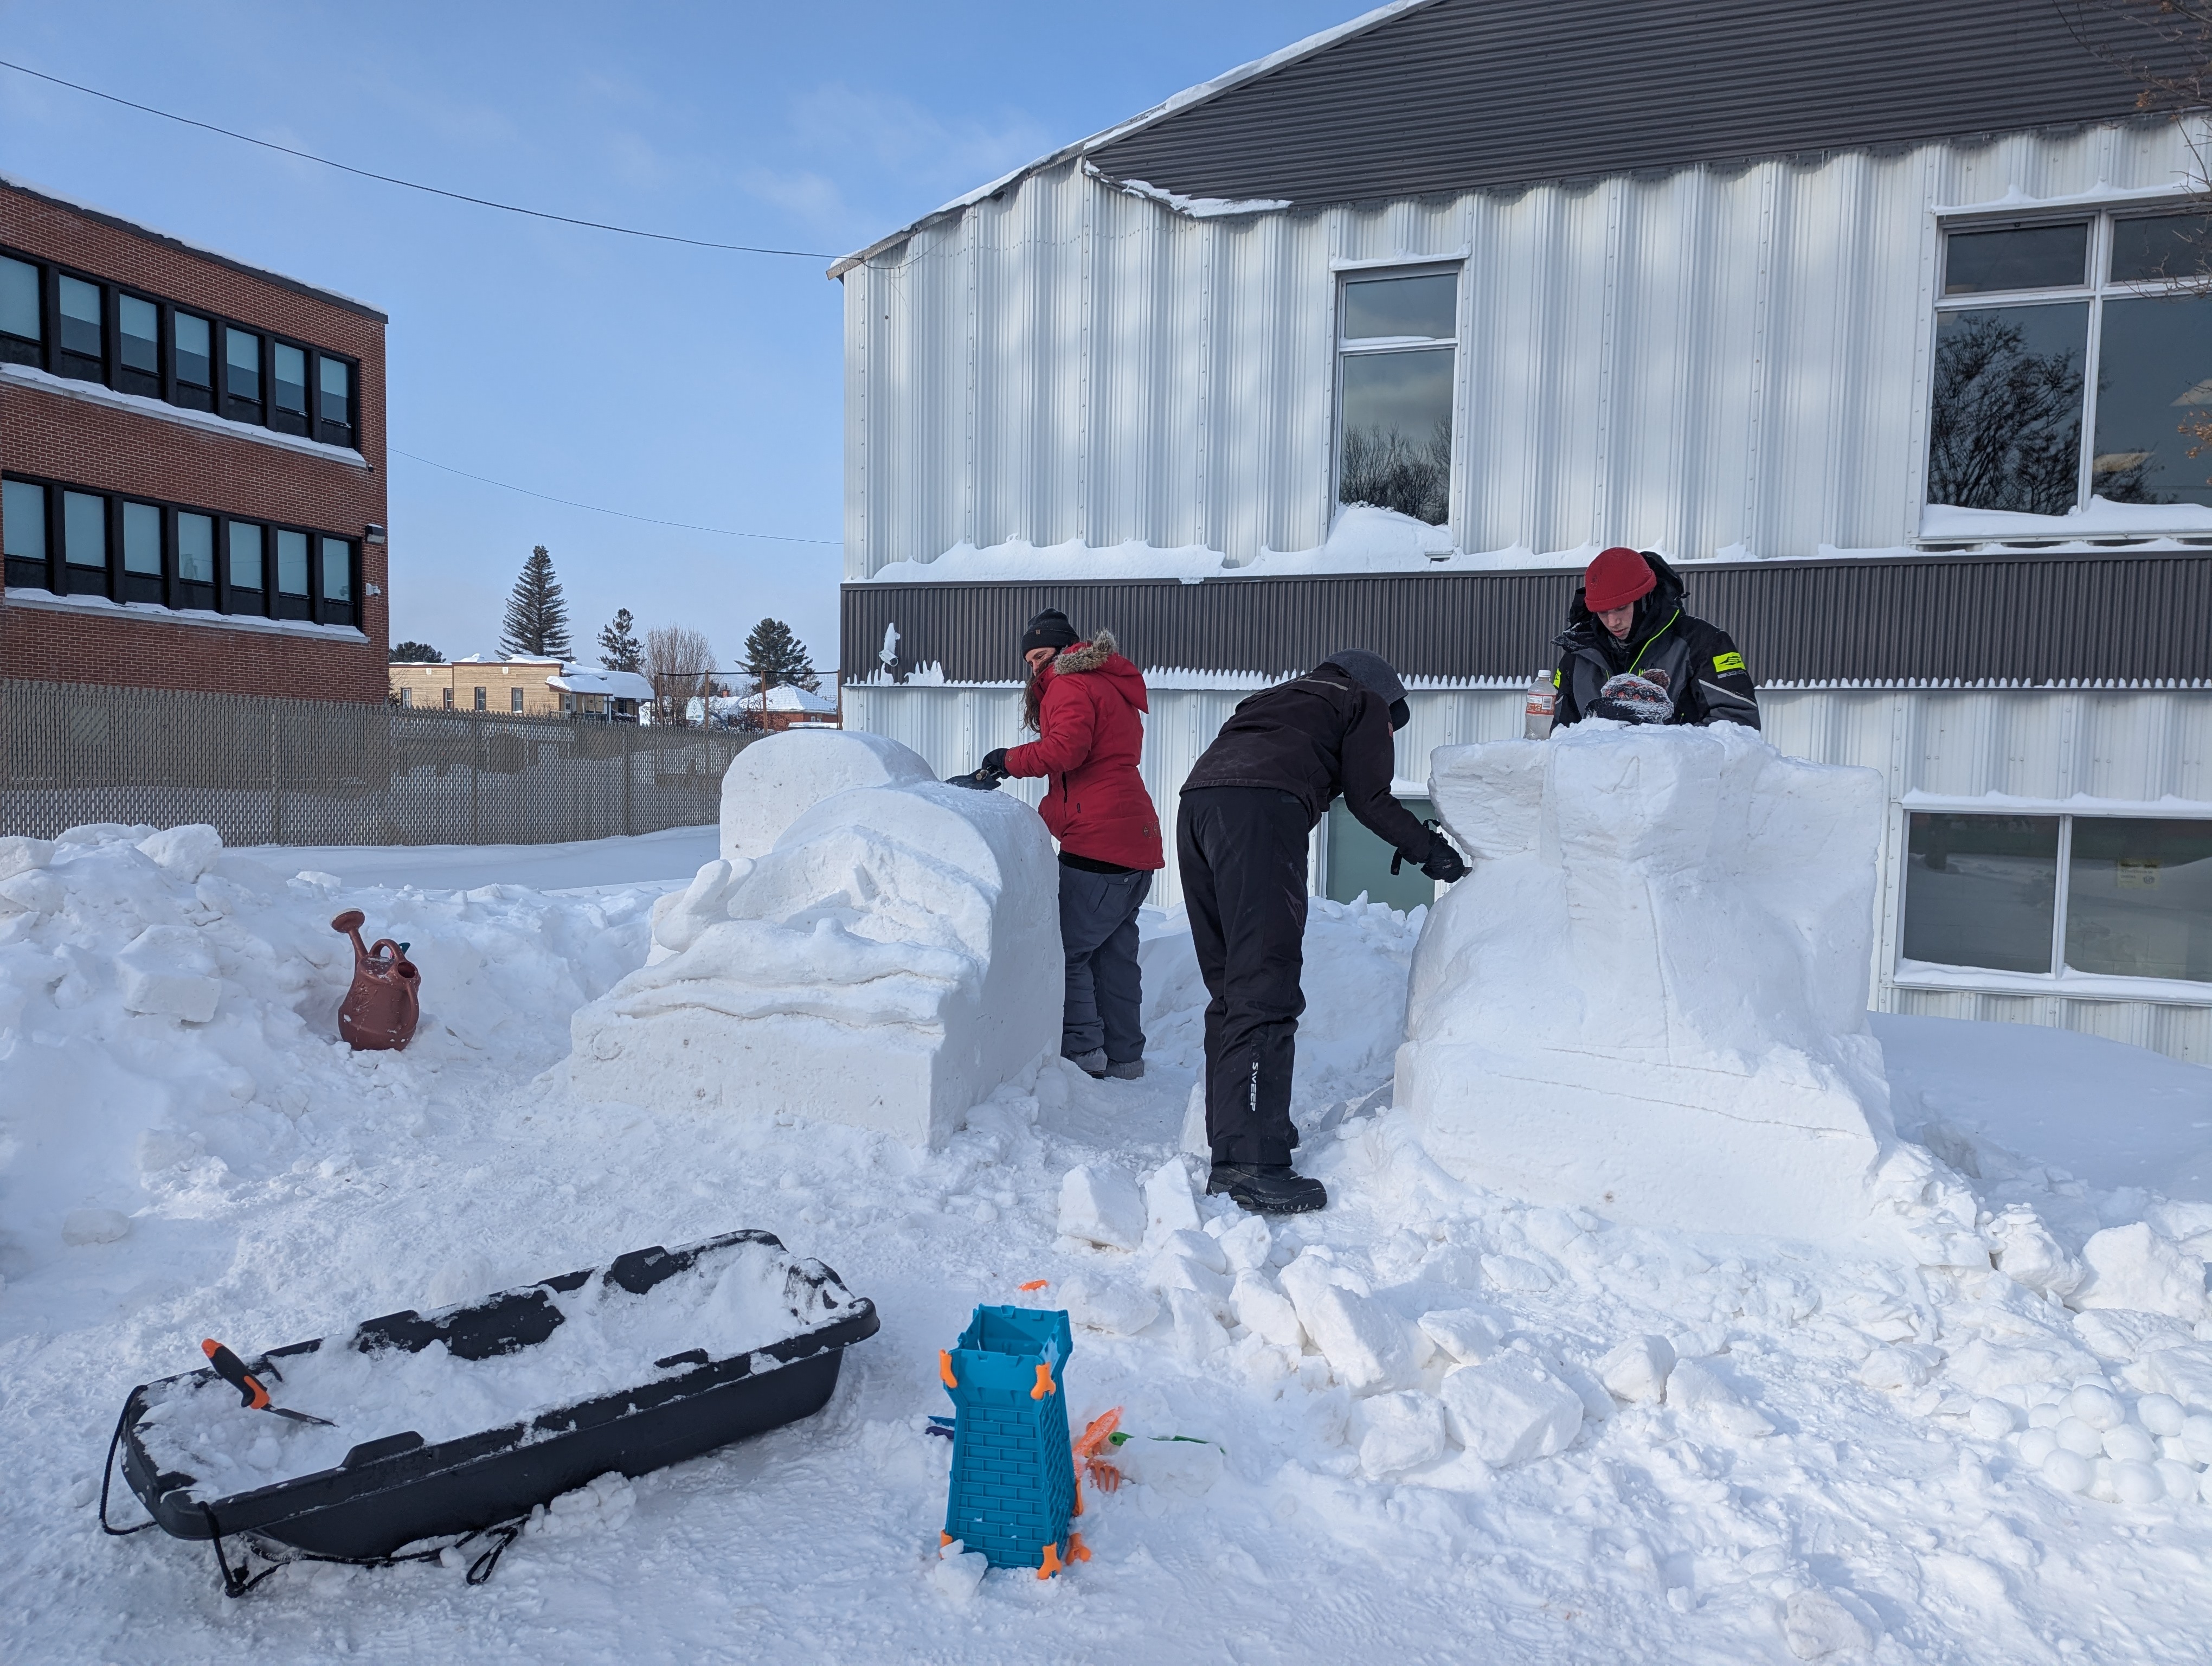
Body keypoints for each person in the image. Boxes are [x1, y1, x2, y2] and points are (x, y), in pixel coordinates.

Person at [1175, 650, 1466, 1215]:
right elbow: (1370, 798)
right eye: (1392, 722)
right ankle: (1253, 1165)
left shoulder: (1273, 700)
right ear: (1380, 695)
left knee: (1233, 987)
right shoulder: (1359, 701)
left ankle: (1239, 1141)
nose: (1388, 731)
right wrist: (1436, 855)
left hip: (1198, 806)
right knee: (1265, 983)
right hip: (1261, 813)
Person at [968, 610, 1163, 1080]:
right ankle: (1124, 1058)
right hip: (1133, 838)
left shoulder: (1069, 684)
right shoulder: (1105, 683)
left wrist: (1006, 760)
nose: (1035, 668)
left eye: (1040, 656)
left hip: (1099, 842)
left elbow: (1065, 749)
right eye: (1030, 660)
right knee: (1114, 955)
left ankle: (1083, 1054)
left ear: (1062, 650)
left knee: (1068, 952)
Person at [1551, 546, 1760, 731]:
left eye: (1622, 608)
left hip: (1672, 775)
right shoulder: (1578, 655)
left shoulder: (1704, 643)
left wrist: (1655, 752)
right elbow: (1555, 733)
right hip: (1595, 775)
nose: (1613, 622)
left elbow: (1738, 726)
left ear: (1645, 598)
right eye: (1603, 612)